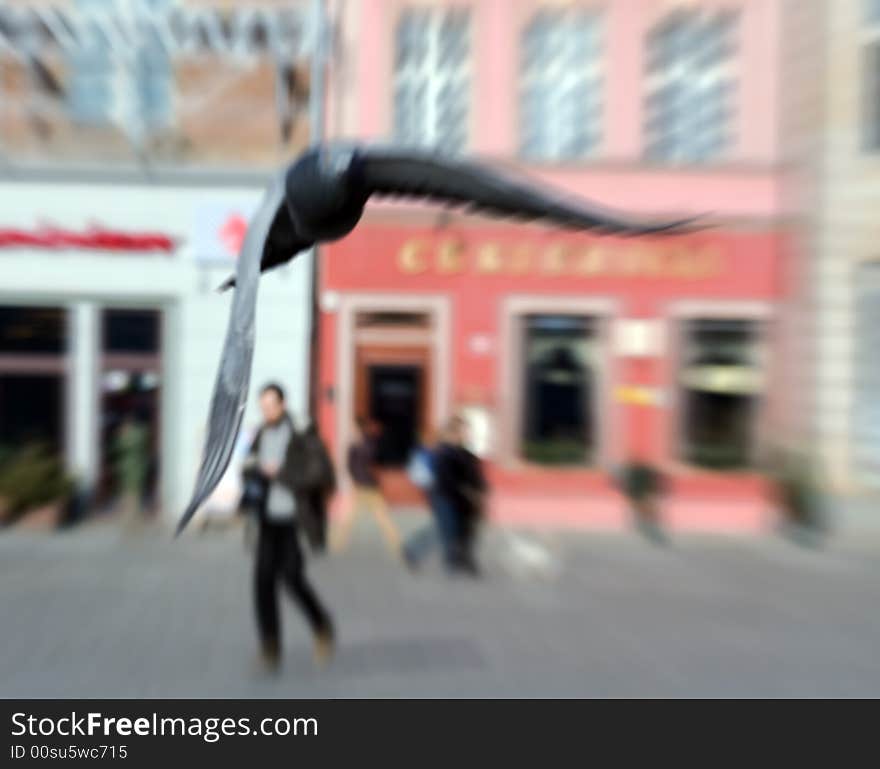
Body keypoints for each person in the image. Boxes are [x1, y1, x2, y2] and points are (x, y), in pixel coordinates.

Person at [243, 382, 335, 672]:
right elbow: (251, 465)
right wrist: (250, 472)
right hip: (268, 520)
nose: (267, 411)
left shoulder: (301, 434)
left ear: (283, 404)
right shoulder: (260, 433)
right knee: (262, 583)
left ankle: (322, 627)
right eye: (263, 406)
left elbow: (320, 475)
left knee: (292, 579)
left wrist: (280, 473)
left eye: (271, 406)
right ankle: (270, 648)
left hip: (294, 521)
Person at [330, 418, 402, 556]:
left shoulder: (358, 445)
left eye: (353, 428)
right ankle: (396, 546)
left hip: (364, 486)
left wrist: (353, 481)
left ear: (358, 429)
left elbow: (349, 466)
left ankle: (336, 547)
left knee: (351, 518)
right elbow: (353, 465)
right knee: (378, 518)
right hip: (366, 485)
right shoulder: (369, 444)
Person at [432, 415, 488, 576]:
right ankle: (453, 562)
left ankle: (465, 561)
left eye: (467, 431)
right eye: (464, 431)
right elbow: (446, 479)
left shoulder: (467, 454)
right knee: (450, 532)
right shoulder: (443, 453)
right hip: (450, 498)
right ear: (454, 432)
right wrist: (464, 490)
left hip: (467, 502)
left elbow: (476, 476)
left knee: (467, 533)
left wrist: (481, 491)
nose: (466, 434)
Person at [401, 429, 459, 571]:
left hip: (437, 493)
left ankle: (412, 549)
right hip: (439, 493)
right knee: (444, 527)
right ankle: (413, 549)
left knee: (443, 527)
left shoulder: (428, 452)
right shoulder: (434, 454)